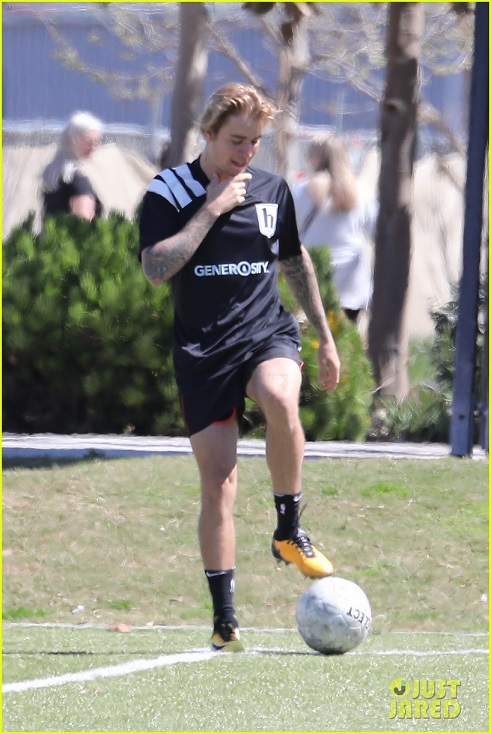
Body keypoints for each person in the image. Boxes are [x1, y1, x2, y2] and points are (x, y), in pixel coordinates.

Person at [139, 83, 341, 653]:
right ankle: (225, 621)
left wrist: (325, 339)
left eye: (254, 142)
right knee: (219, 485)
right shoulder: (169, 191)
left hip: (264, 333)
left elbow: (294, 259)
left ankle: (288, 529)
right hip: (203, 351)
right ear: (207, 133)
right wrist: (212, 209)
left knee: (280, 397)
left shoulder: (274, 190)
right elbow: (156, 268)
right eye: (235, 141)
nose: (246, 153)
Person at [293, 134, 378, 323]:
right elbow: (377, 233)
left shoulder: (301, 191)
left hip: (312, 278)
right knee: (345, 341)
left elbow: (286, 232)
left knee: (312, 341)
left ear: (315, 157)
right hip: (351, 284)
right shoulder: (362, 191)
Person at [41, 111, 103, 221]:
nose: (93, 146)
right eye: (88, 142)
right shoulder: (77, 179)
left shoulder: (54, 173)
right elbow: (82, 224)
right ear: (71, 139)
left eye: (97, 141)